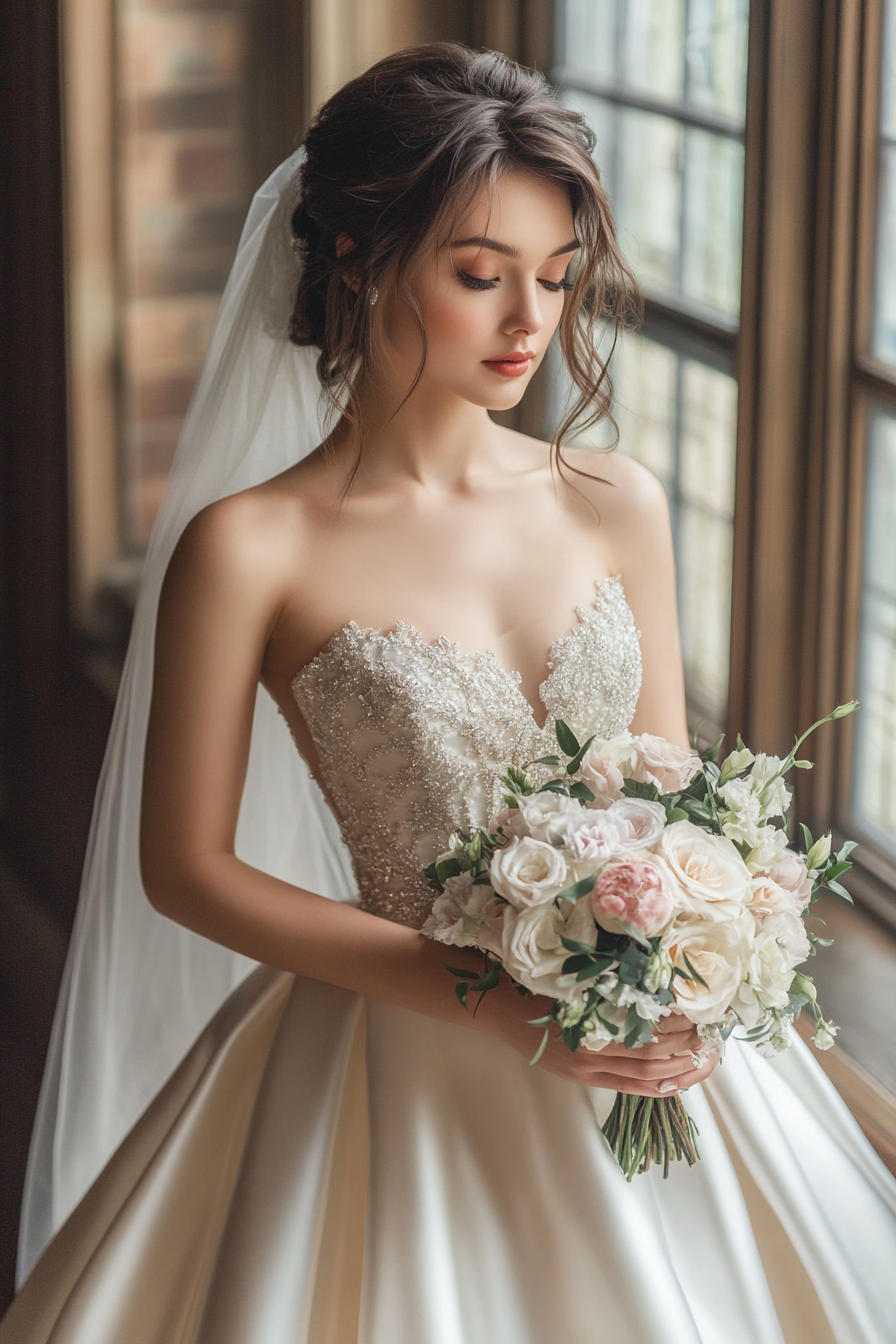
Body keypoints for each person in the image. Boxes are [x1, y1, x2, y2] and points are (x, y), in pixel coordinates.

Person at [4, 43, 896, 1344]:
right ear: (358, 257)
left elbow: (661, 795)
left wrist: (686, 962)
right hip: (400, 1053)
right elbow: (188, 870)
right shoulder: (251, 547)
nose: (531, 323)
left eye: (555, 277)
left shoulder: (615, 502)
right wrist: (509, 1001)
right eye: (480, 277)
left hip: (654, 1051)